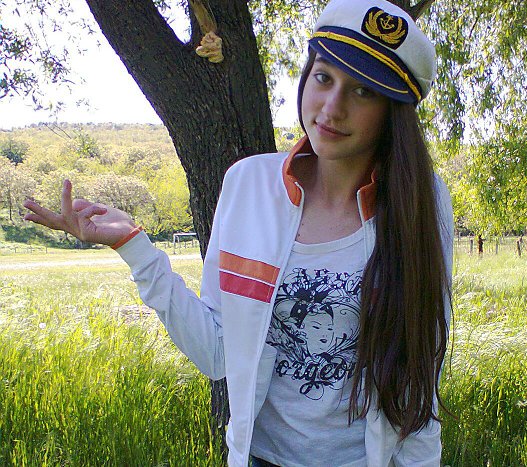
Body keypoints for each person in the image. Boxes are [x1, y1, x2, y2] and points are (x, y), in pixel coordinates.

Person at [23, 0, 453, 465]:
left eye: (363, 92)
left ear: (393, 111)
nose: (332, 108)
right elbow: (217, 352)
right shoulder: (247, 185)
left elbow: (419, 380)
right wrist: (134, 246)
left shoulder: (420, 202)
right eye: (323, 78)